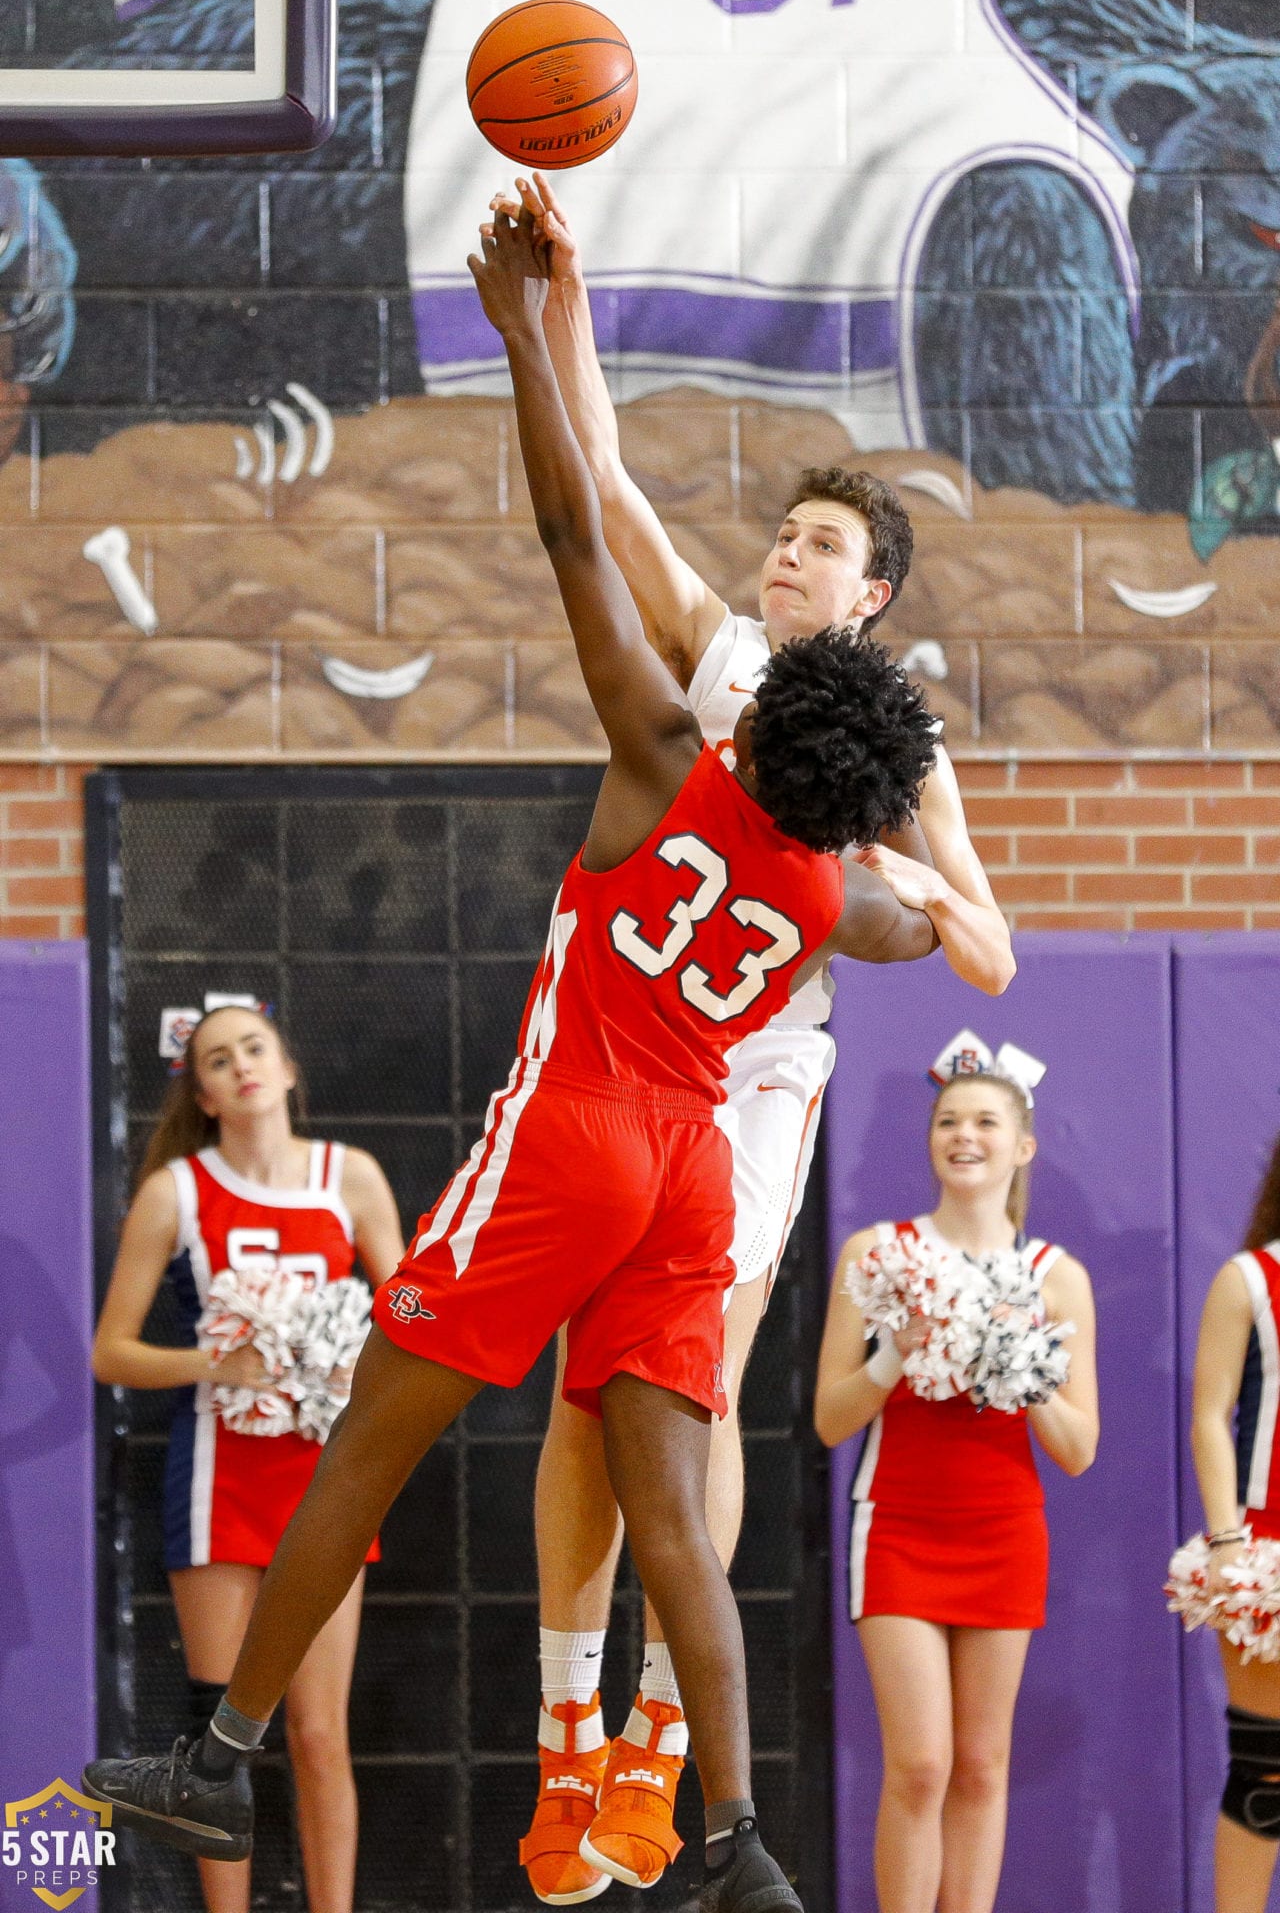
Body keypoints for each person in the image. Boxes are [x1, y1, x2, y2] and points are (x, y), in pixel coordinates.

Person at [84, 200, 943, 1913]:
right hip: (698, 1165)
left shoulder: (660, 756)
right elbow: (914, 927)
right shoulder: (833, 888)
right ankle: (735, 1843)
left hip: (583, 1123)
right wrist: (928, 892)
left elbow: (568, 524)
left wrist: (520, 335)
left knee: (371, 1444)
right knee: (673, 1508)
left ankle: (215, 1765)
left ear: (765, 723)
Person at [480, 171, 1016, 1904]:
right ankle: (572, 1750)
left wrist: (886, 877)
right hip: (616, 1053)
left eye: (825, 545)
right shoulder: (714, 656)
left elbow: (991, 952)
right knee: (578, 1404)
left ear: (870, 600)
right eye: (786, 532)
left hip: (754, 1080)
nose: (789, 552)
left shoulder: (899, 751)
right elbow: (605, 479)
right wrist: (561, 295)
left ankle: (650, 1745)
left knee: (681, 1399)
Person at [90, 1004, 404, 1913]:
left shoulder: (352, 1178)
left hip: (328, 1480)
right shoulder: (175, 1192)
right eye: (218, 1060)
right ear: (204, 1091)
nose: (241, 1068)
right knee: (217, 1741)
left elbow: (411, 1310)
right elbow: (112, 1350)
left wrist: (362, 1350)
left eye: (253, 1049)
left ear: (288, 1065)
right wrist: (215, 1363)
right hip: (217, 1480)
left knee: (317, 1734)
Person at [813, 1054, 1098, 1913]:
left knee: (981, 1764)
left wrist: (1026, 1362)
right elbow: (831, 1418)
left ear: (1023, 1147)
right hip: (896, 1524)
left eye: (984, 1123)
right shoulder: (878, 1254)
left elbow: (1079, 1447)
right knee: (922, 1762)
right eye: (947, 1122)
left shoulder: (1057, 1275)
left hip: (1005, 1528)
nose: (963, 1136)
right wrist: (899, 1349)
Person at [1188, 1132, 1280, 1912]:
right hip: (1265, 1551)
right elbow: (1212, 1414)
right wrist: (1227, 1542)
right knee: (1265, 1769)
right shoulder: (1249, 1278)